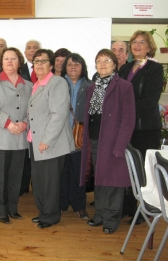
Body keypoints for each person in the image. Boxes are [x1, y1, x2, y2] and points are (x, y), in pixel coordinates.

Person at [81, 49, 135, 234]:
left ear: (114, 64)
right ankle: (100, 214)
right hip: (95, 140)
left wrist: (120, 146)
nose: (102, 64)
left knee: (114, 181)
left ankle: (111, 219)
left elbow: (128, 119)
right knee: (100, 179)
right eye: (98, 61)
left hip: (113, 141)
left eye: (106, 60)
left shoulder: (124, 86)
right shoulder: (91, 87)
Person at [118, 30, 163, 224]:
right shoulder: (124, 68)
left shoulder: (154, 69)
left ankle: (143, 212)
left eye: (142, 42)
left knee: (143, 171)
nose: (137, 45)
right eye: (134, 42)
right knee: (127, 169)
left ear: (149, 47)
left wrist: (127, 115)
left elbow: (150, 100)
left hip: (145, 128)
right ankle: (127, 207)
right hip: (125, 129)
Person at [0, 47, 32, 224]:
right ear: (1, 62)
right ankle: (1, 210)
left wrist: (25, 123)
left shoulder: (29, 85)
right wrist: (8, 123)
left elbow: (32, 110)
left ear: (19, 62)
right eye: (6, 59)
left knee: (15, 177)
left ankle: (13, 208)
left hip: (20, 138)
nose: (9, 62)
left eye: (13, 59)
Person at [28, 49, 75, 229]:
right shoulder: (37, 84)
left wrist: (47, 140)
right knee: (39, 182)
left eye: (43, 61)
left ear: (51, 64)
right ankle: (43, 212)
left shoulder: (57, 82)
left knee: (49, 183)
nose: (39, 64)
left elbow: (59, 114)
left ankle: (51, 216)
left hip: (50, 143)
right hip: (35, 141)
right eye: (36, 61)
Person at [60, 53, 91, 219]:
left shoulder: (90, 86)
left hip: (80, 137)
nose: (73, 67)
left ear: (83, 67)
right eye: (70, 64)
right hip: (60, 136)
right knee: (61, 172)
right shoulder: (57, 83)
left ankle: (79, 206)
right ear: (65, 67)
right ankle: (61, 204)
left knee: (79, 173)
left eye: (77, 64)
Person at [20, 39, 41, 197]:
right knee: (24, 155)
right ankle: (23, 185)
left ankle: (37, 185)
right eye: (29, 48)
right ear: (25, 52)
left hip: (40, 119)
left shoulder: (46, 71)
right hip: (22, 118)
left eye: (35, 48)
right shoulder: (19, 69)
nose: (32, 50)